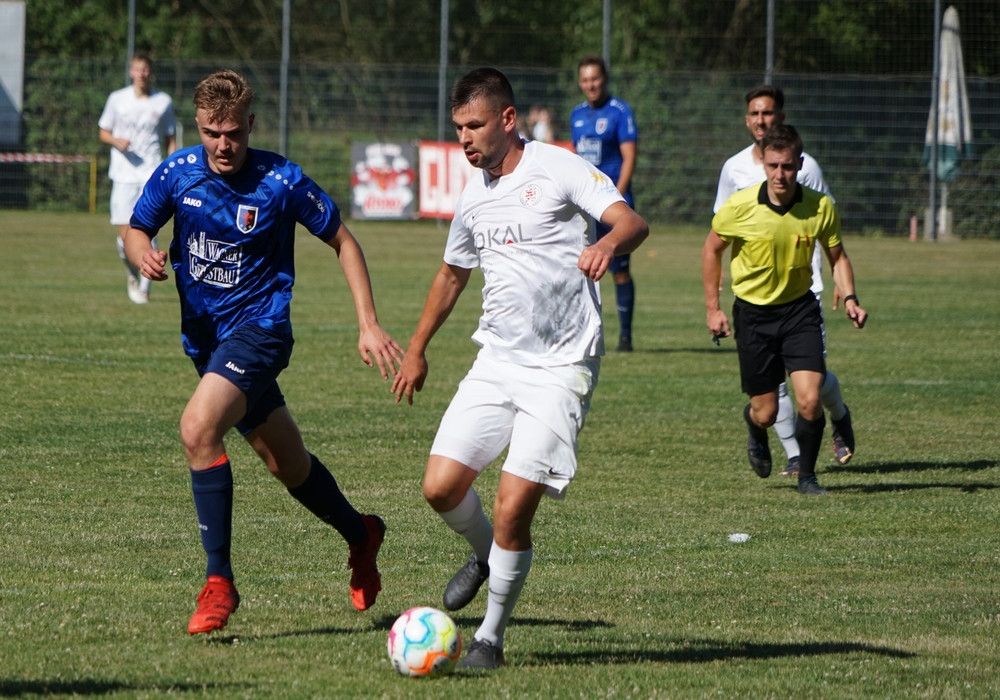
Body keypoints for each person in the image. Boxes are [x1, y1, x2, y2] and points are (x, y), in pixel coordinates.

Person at [123, 69, 403, 634]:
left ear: (250, 124)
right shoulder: (176, 173)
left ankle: (219, 581)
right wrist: (142, 254)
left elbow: (344, 242)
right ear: (198, 127)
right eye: (211, 133)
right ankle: (362, 533)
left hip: (260, 333)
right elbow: (135, 229)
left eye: (233, 133)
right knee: (287, 464)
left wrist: (368, 324)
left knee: (198, 429)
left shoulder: (281, 181)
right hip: (208, 344)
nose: (223, 145)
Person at [391, 67, 648, 669]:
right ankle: (487, 555)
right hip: (497, 360)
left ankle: (491, 638)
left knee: (511, 506)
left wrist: (606, 244)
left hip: (561, 366)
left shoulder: (557, 167)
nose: (465, 138)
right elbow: (452, 274)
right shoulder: (473, 194)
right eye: (458, 127)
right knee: (440, 487)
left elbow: (632, 221)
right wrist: (418, 347)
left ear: (507, 119)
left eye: (474, 125)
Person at [703, 124, 867, 496]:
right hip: (753, 315)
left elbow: (838, 256)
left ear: (800, 164)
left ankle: (807, 478)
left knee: (809, 399)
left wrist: (850, 297)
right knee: (767, 413)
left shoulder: (819, 206)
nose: (780, 174)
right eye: (774, 166)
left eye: (788, 166)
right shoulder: (740, 206)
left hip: (799, 312)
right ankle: (754, 426)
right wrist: (713, 308)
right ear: (763, 164)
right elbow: (711, 249)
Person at [570, 55, 639, 352]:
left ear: (605, 79)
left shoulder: (619, 112)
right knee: (580, 268)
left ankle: (625, 336)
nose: (590, 85)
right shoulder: (576, 115)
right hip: (584, 206)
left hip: (612, 205)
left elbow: (629, 157)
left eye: (595, 79)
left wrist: (616, 196)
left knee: (619, 271)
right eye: (585, 80)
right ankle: (581, 334)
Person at [99, 53, 177, 304]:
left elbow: (170, 138)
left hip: (150, 173)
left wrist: (171, 169)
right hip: (123, 175)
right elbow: (103, 132)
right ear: (131, 71)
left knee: (148, 228)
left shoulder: (163, 101)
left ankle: (145, 285)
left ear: (150, 72)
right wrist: (116, 140)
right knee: (125, 237)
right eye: (137, 69)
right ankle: (132, 274)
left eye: (145, 69)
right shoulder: (117, 99)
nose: (141, 73)